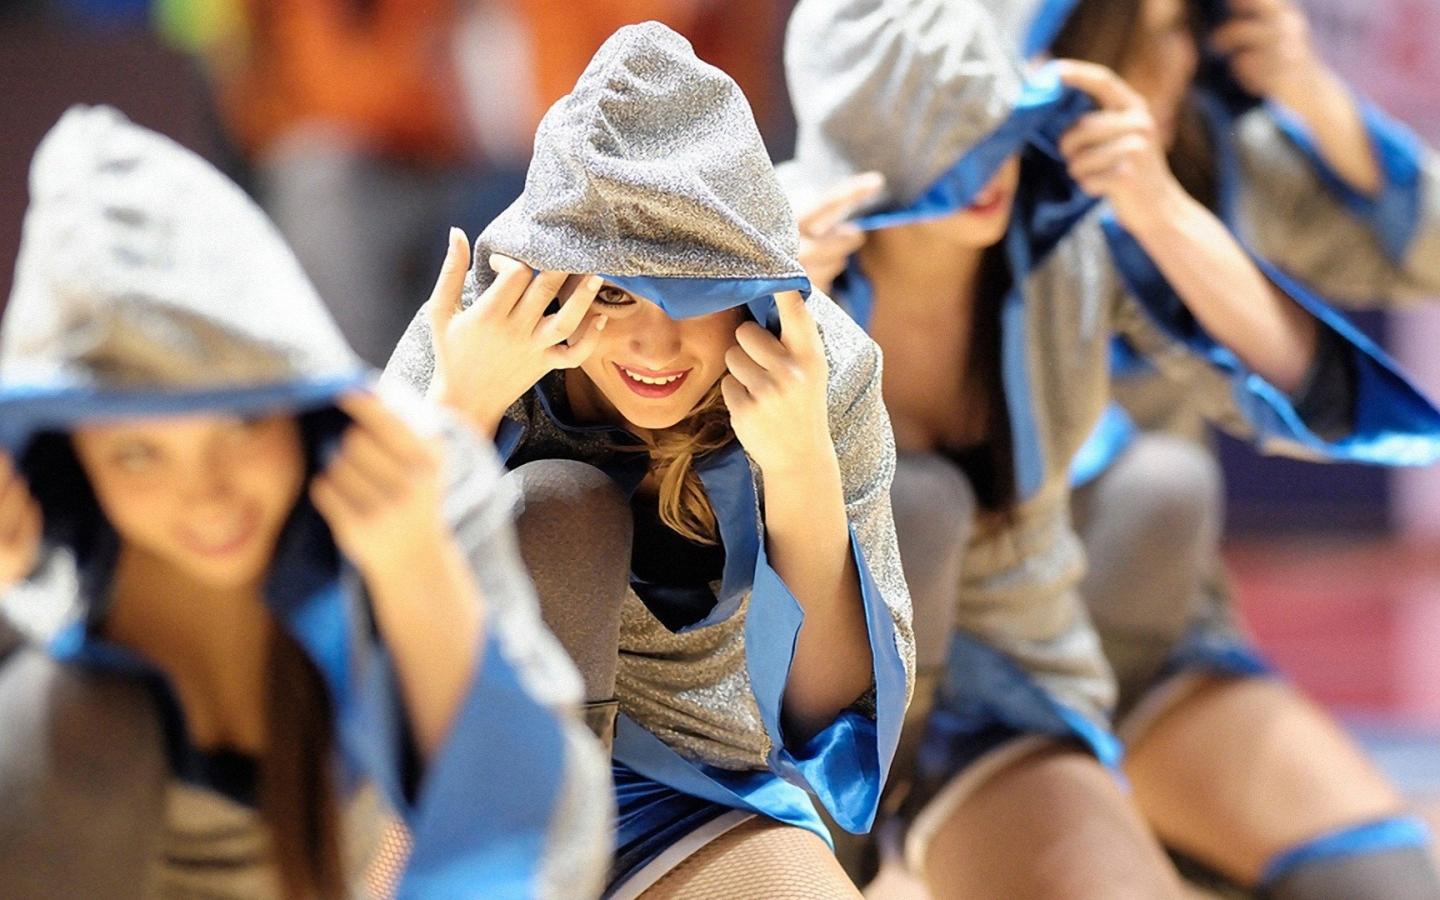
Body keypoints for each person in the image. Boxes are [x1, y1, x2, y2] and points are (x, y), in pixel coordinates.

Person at [778, 0, 1440, 897]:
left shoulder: (1076, 231)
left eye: (1000, 123)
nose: (1172, 58)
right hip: (797, 721)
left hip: (1022, 684)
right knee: (923, 507)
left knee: (1384, 879)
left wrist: (1163, 205)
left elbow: (1309, 389)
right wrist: (756, 325)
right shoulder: (771, 250)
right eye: (948, 134)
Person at [0, 105, 610, 900]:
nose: (208, 498)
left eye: (242, 426)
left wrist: (413, 570)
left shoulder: (423, 489)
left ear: (302, 409)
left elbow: (552, 852)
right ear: (68, 457)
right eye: (138, 455)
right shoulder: (38, 572)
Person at [384, 22, 914, 898]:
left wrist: (800, 471)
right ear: (552, 274)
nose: (655, 345)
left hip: (694, 782)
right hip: (451, 773)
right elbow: (343, 636)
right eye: (617, 291)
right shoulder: (478, 329)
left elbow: (826, 718)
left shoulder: (821, 365)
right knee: (561, 509)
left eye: (695, 293)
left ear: (749, 285)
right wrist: (460, 411)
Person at [1002, 0, 1440, 895]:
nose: (1171, 59)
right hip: (958, 684)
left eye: (1184, 24)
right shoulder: (948, 186)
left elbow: (1422, 262)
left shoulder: (1212, 153)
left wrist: (1311, 94)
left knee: (1384, 880)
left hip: (1159, 650)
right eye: (1141, 29)